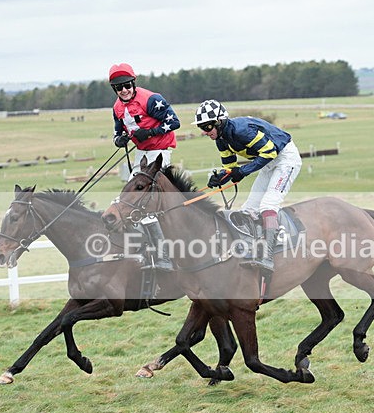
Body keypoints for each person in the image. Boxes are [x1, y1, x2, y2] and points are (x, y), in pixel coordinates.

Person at [196, 99, 302, 273]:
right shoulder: (221, 139)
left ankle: (267, 257)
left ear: (219, 122)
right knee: (248, 209)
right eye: (201, 127)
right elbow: (230, 169)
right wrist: (220, 178)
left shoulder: (241, 130)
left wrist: (243, 171)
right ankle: (254, 247)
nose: (205, 132)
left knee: (268, 204)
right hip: (268, 162)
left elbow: (270, 151)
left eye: (207, 127)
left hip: (285, 158)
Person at [109, 62, 180, 270]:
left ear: (133, 83)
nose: (124, 90)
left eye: (127, 85)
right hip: (141, 154)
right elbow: (117, 132)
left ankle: (164, 256)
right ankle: (140, 248)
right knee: (126, 201)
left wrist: (149, 133)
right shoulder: (117, 108)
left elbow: (174, 122)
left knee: (146, 204)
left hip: (159, 152)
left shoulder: (151, 99)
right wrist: (119, 140)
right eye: (119, 87)